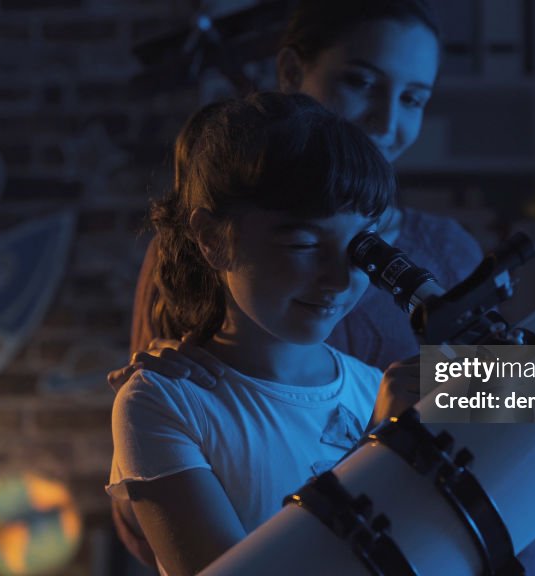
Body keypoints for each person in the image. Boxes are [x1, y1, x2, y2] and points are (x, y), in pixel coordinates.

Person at [116, 0, 535, 572]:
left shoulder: (446, 258)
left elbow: (520, 417)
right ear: (293, 72)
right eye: (362, 82)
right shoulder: (179, 383)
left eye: (414, 98)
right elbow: (165, 521)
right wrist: (384, 448)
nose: (387, 121)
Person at [107, 92, 408, 576]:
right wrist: (381, 452)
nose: (340, 278)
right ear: (212, 238)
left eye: (360, 247)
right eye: (304, 244)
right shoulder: (165, 403)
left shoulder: (374, 389)